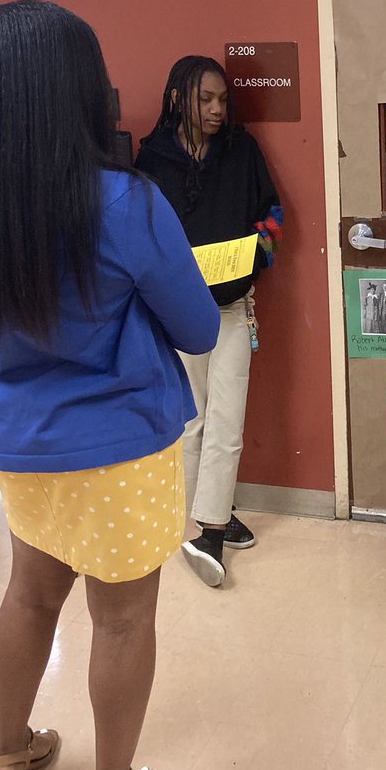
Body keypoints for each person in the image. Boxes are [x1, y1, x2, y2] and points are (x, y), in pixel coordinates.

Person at [0, 0, 219, 770]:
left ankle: (9, 752)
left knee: (28, 593)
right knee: (123, 621)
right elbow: (199, 330)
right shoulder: (124, 202)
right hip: (121, 446)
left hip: (19, 445)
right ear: (74, 95)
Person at [135, 56, 282, 589]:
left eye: (223, 99)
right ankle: (203, 517)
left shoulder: (242, 151)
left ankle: (212, 529)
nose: (218, 109)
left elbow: (273, 214)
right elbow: (141, 236)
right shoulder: (150, 160)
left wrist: (256, 256)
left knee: (228, 419)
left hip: (233, 308)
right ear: (178, 99)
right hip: (176, 312)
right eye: (206, 99)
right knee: (191, 421)